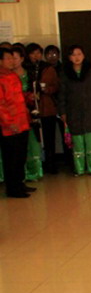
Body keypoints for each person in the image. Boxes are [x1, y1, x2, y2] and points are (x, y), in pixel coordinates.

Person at [57, 45, 91, 176]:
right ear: (69, 57)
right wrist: (62, 112)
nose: (77, 57)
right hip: (73, 112)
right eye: (73, 55)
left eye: (79, 54)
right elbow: (62, 95)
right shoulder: (65, 74)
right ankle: (79, 168)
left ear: (84, 55)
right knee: (77, 141)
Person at [0, 47, 33, 197]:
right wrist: (9, 122)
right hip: (9, 125)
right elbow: (1, 105)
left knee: (21, 155)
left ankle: (20, 183)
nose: (12, 61)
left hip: (22, 121)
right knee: (11, 157)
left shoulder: (13, 75)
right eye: (8, 58)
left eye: (13, 58)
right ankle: (13, 188)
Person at [26, 43, 61, 174]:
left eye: (38, 53)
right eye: (33, 53)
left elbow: (56, 86)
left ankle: (51, 163)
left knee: (49, 137)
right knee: (35, 138)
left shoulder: (48, 68)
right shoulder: (25, 69)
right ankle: (36, 165)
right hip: (31, 108)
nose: (36, 56)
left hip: (47, 107)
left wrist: (47, 89)